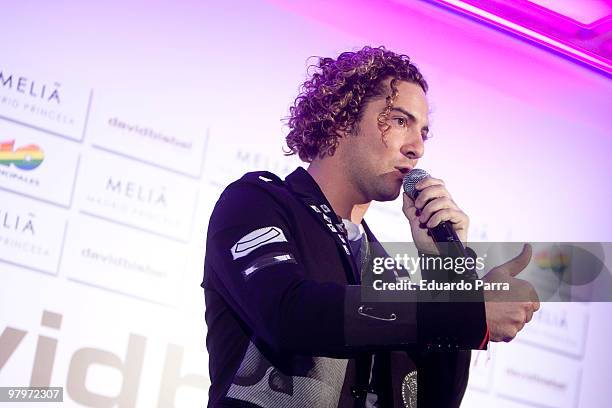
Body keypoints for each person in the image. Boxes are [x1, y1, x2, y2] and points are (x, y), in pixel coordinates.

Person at [201, 46, 540, 408]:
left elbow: (436, 399)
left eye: (424, 132)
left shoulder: (387, 277)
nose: (417, 148)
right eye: (399, 121)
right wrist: (468, 313)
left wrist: (446, 272)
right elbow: (290, 314)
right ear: (341, 118)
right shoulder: (256, 202)